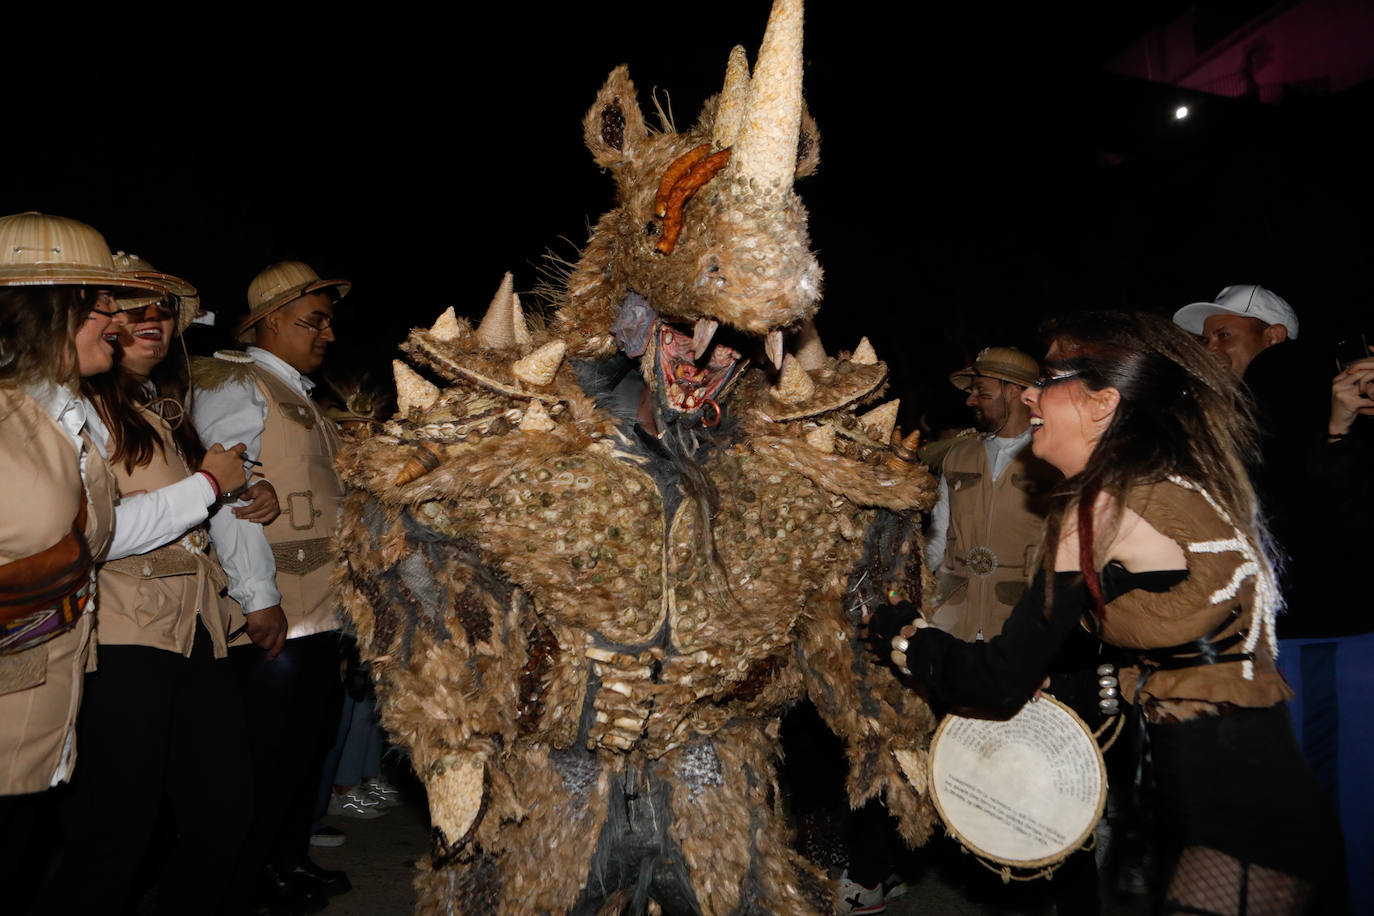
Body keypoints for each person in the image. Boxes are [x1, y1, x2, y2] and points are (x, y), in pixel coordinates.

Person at [886, 311, 1345, 913]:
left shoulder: (1098, 508)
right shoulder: (1184, 482)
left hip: (1234, 825)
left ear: (1103, 403)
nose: (1031, 396)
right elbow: (1181, 647)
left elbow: (995, 682)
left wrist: (904, 636)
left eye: (1049, 380)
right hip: (1259, 801)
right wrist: (1066, 679)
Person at [46, 255, 259, 914]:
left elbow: (185, 502)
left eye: (164, 309)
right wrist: (209, 486)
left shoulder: (160, 408)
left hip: (197, 627)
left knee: (222, 809)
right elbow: (97, 534)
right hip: (123, 633)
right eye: (129, 305)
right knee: (116, 826)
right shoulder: (74, 408)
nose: (151, 319)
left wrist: (237, 491)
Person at [0, 211, 155, 909]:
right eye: (102, 305)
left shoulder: (62, 414)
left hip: (46, 713)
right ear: (48, 310)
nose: (119, 321)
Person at [191, 260, 351, 912]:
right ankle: (252, 876)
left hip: (318, 610)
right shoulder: (236, 383)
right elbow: (231, 495)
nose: (328, 334)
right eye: (314, 321)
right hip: (276, 610)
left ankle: (287, 858)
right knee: (264, 756)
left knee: (304, 749)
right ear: (270, 322)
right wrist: (258, 599)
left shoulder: (301, 394)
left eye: (328, 322)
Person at [1273, 350, 1374, 914]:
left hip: (1341, 643)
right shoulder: (1312, 426)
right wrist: (1337, 433)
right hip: (1316, 635)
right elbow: (1337, 523)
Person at [924, 346, 1060, 641]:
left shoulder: (1054, 458)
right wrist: (926, 584)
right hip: (952, 619)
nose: (970, 400)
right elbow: (939, 533)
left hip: (1020, 620)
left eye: (982, 393)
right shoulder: (957, 455)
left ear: (1013, 392)